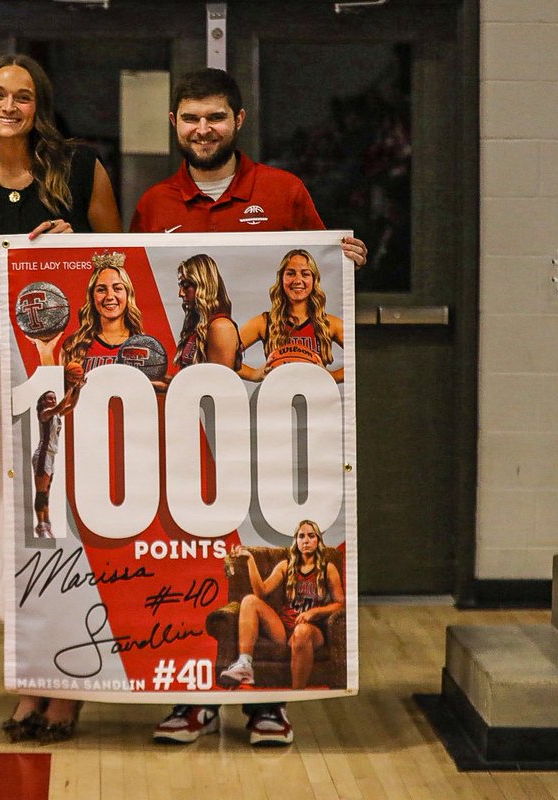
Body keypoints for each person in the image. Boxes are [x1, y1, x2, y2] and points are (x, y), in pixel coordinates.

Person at [130, 67, 365, 748]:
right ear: (174, 124)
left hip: (268, 429)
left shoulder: (283, 192)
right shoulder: (154, 203)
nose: (202, 129)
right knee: (193, 553)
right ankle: (194, 695)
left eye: (215, 117)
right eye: (189, 118)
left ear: (238, 121)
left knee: (264, 542)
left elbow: (322, 282)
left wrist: (347, 257)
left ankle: (268, 701)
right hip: (187, 427)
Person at [0, 53, 121, 743]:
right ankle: (26, 682)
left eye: (21, 95)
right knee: (9, 522)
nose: (7, 105)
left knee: (64, 523)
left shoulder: (79, 168)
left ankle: (67, 688)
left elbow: (122, 255)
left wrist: (81, 242)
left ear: (38, 104)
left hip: (73, 373)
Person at [218, 521, 346, 701]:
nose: (306, 540)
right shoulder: (286, 566)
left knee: (302, 632)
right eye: (301, 536)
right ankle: (245, 665)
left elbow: (340, 603)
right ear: (296, 541)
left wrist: (314, 612)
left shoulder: (327, 568)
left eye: (311, 536)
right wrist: (250, 560)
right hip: (282, 629)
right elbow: (261, 592)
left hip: (311, 630)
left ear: (318, 540)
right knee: (250, 601)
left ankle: (296, 696)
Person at [238, 249, 345, 383]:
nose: (298, 280)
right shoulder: (264, 322)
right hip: (276, 398)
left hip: (317, 399)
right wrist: (254, 374)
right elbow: (222, 356)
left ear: (314, 280)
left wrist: (333, 376)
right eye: (290, 274)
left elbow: (359, 356)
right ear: (281, 279)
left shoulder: (329, 323)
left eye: (305, 274)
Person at [172, 252, 242, 371]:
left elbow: (218, 384)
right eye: (180, 285)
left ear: (203, 284)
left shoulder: (221, 327)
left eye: (186, 285)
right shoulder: (199, 324)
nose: (181, 293)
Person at [30, 384, 82, 539]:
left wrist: (78, 390)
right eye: (49, 398)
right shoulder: (45, 413)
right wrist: (70, 390)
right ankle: (41, 525)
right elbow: (62, 405)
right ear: (44, 402)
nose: (53, 400)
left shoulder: (56, 414)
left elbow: (71, 405)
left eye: (54, 397)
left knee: (46, 493)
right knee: (41, 493)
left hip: (51, 455)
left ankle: (46, 523)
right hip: (43, 455)